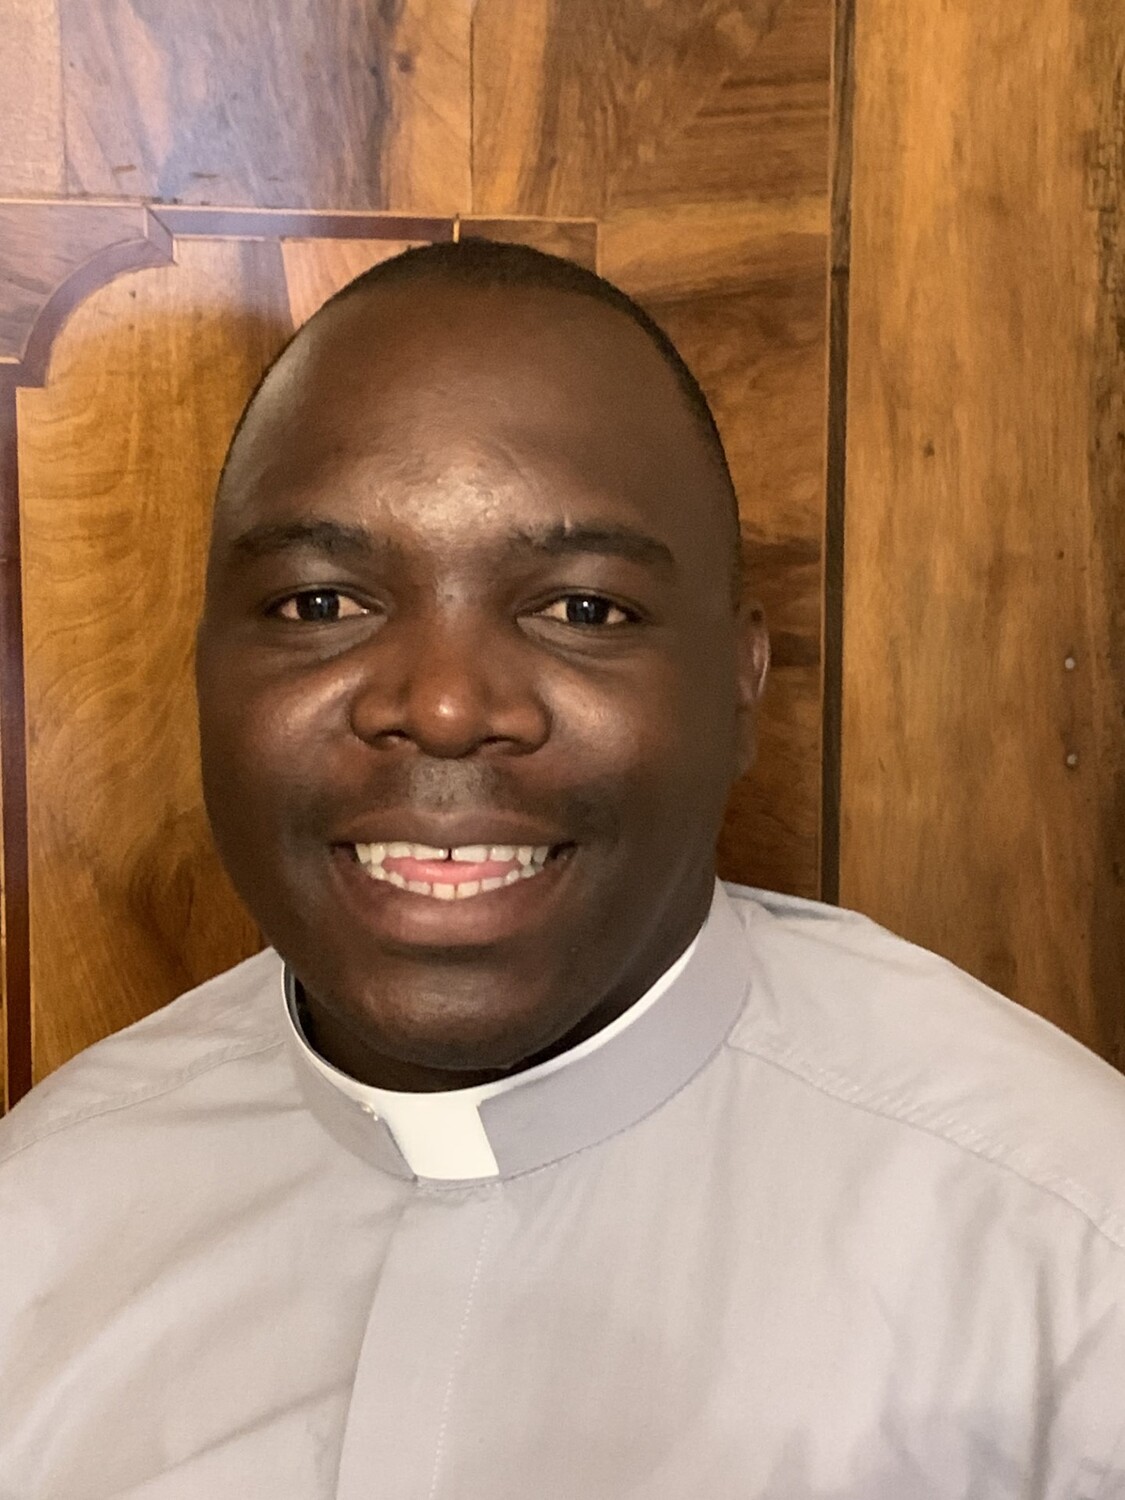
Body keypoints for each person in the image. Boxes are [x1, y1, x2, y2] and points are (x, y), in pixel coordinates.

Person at [1, 240, 1123, 1500]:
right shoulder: (38, 1223)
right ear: (204, 669)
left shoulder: (1071, 1264)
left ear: (740, 684)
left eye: (583, 609)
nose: (442, 707)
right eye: (322, 604)